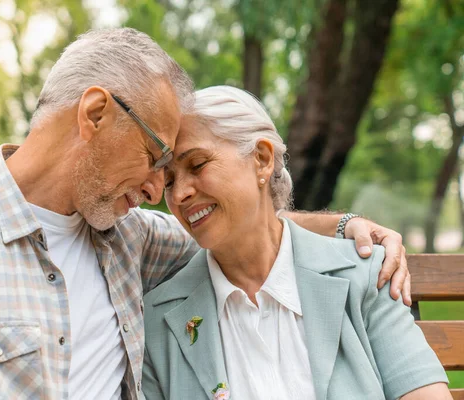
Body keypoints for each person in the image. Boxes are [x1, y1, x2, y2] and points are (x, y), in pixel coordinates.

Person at [0, 29, 409, 400]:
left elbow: (246, 225)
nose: (157, 192)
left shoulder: (128, 236)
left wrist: (345, 226)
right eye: (155, 160)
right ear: (96, 114)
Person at [142, 86, 450, 400]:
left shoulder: (365, 275)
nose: (179, 195)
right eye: (168, 181)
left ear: (261, 159)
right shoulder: (158, 323)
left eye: (197, 165)